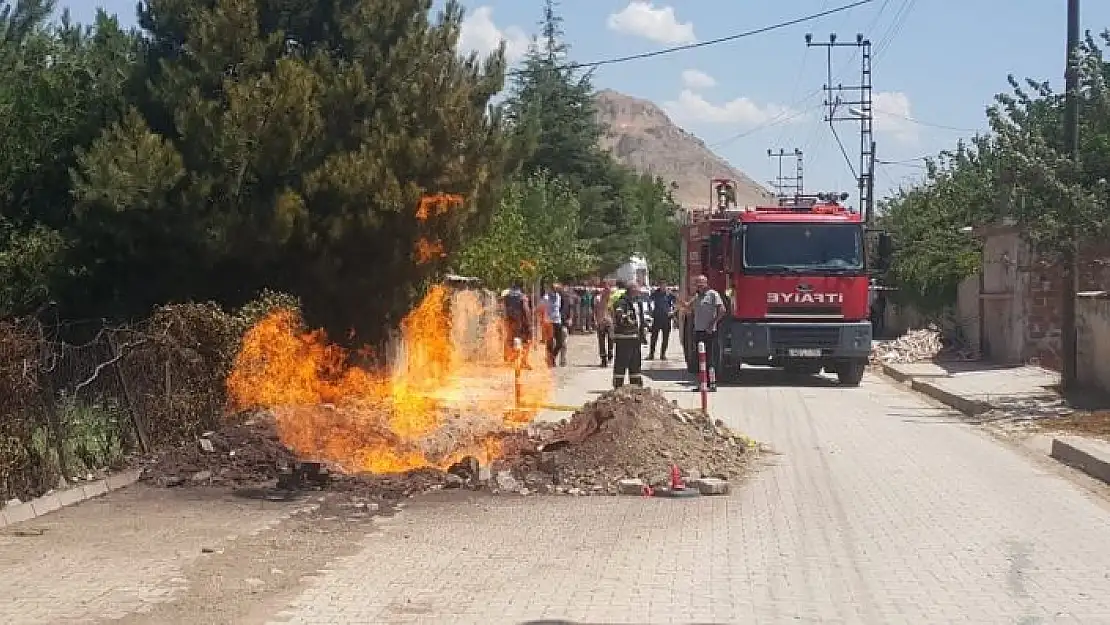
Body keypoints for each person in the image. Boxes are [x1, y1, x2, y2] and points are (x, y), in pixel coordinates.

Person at [686, 274, 726, 391]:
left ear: (706, 283)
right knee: (699, 358)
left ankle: (712, 383)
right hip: (698, 331)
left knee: (710, 359)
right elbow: (688, 308)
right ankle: (702, 383)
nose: (699, 285)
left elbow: (722, 310)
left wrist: (713, 323)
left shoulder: (713, 294)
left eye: (701, 283)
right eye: (697, 283)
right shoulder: (697, 297)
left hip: (710, 332)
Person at [610, 280, 647, 388]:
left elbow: (640, 318)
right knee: (621, 363)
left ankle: (636, 386)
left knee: (635, 363)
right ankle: (618, 387)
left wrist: (643, 328)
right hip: (624, 338)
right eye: (637, 288)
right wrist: (628, 320)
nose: (639, 290)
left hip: (636, 338)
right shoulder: (621, 302)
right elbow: (619, 316)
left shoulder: (638, 302)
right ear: (631, 289)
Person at [501, 279, 532, 369]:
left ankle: (508, 358)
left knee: (509, 339)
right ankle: (523, 361)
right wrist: (528, 323)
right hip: (519, 321)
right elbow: (526, 309)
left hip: (508, 320)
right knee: (526, 341)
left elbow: (502, 307)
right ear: (522, 287)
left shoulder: (506, 295)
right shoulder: (522, 297)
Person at [646, 284, 676, 360]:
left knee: (665, 338)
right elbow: (649, 302)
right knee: (654, 337)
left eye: (664, 285)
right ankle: (651, 354)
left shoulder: (669, 294)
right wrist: (650, 311)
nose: (663, 287)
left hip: (667, 319)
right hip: (657, 319)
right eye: (662, 285)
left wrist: (673, 312)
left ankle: (663, 354)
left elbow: (676, 303)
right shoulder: (655, 294)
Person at [540, 282, 564, 368]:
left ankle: (552, 357)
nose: (556, 291)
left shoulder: (558, 297)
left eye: (557, 289)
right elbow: (541, 309)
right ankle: (550, 361)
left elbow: (559, 308)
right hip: (548, 322)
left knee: (560, 343)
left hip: (557, 321)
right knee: (550, 342)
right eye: (554, 289)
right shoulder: (546, 298)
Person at [593, 282, 614, 367]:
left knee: (611, 339)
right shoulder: (597, 299)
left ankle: (610, 354)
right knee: (601, 342)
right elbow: (594, 310)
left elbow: (613, 312)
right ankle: (603, 359)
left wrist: (615, 322)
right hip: (600, 322)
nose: (607, 293)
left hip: (609, 322)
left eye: (608, 291)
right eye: (605, 290)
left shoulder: (611, 300)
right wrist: (595, 320)